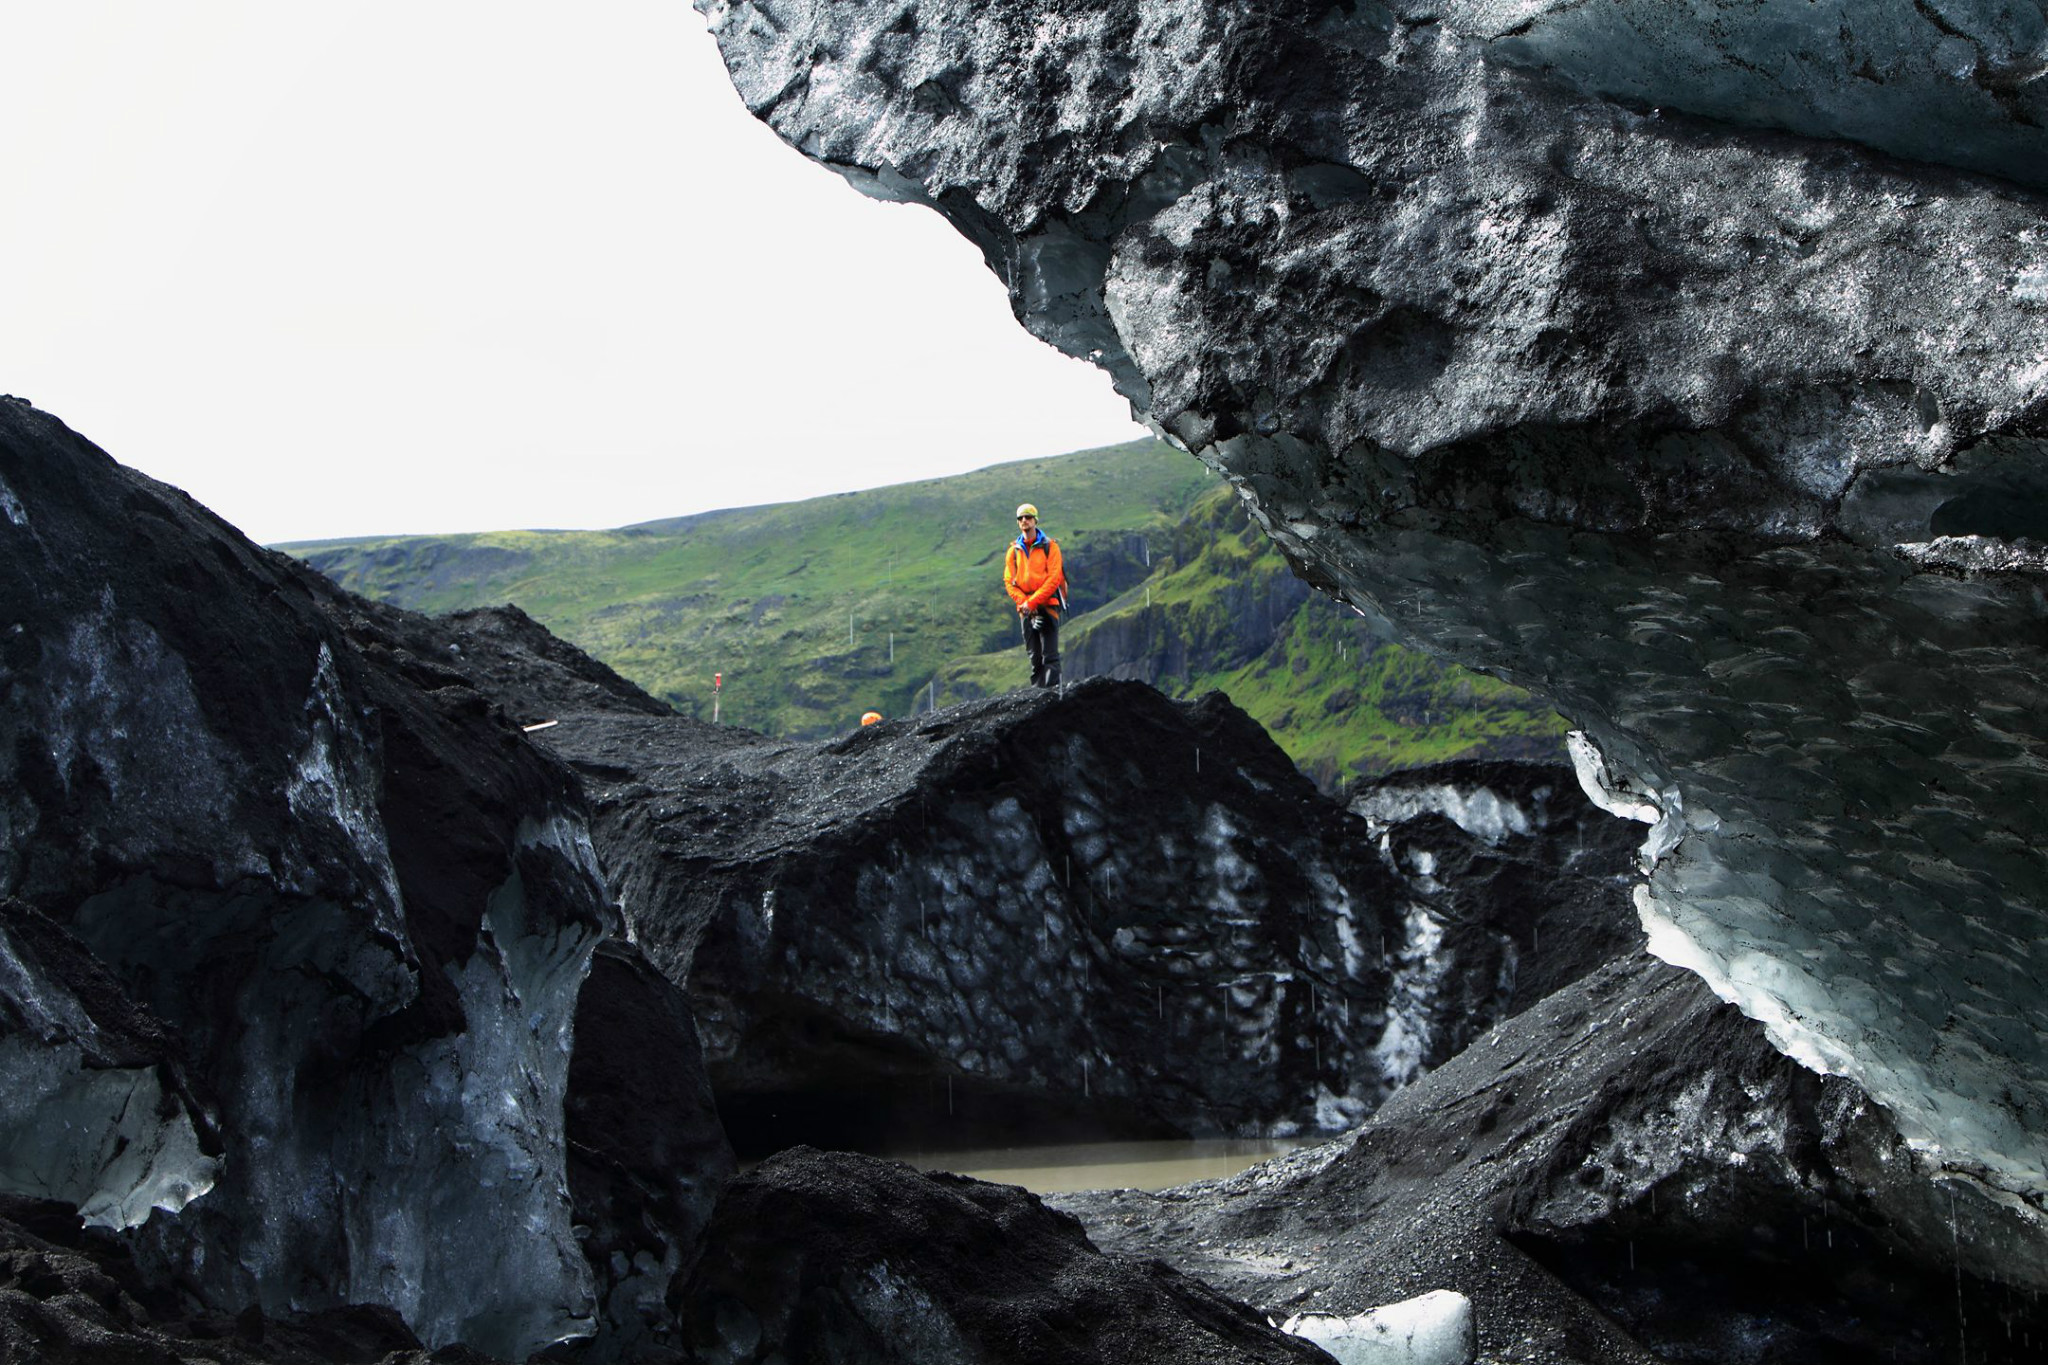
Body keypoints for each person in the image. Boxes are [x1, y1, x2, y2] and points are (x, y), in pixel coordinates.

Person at [1004, 502, 1065, 687]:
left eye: (1028, 517)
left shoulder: (1051, 547)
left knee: (1050, 654)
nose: (1024, 521)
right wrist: (1025, 603)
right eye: (1020, 518)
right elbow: (1009, 581)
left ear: (1035, 520)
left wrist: (1032, 602)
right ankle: (1037, 695)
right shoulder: (1013, 551)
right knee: (1034, 655)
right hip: (1025, 608)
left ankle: (1054, 693)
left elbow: (1054, 578)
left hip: (1047, 604)